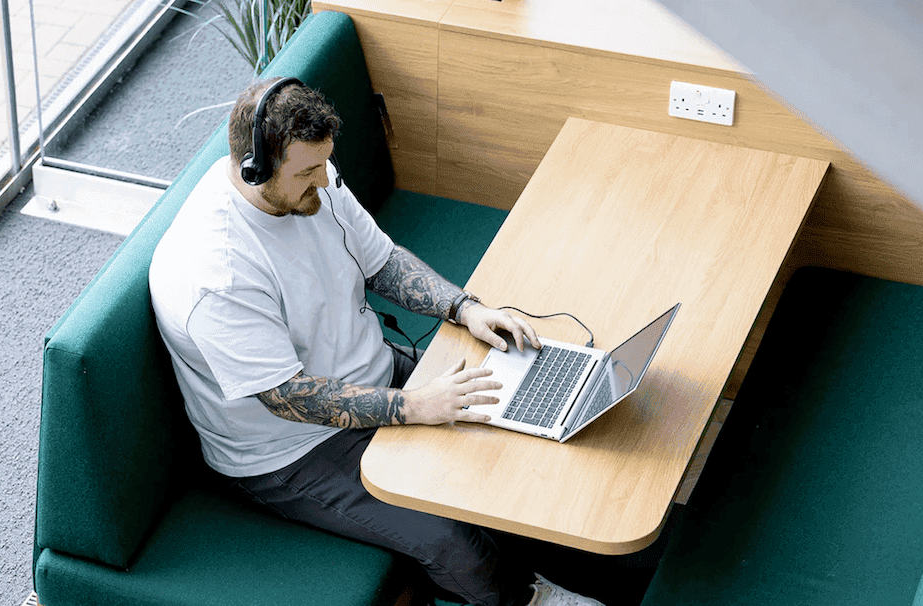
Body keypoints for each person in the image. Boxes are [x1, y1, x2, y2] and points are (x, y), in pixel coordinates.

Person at [148, 77, 605, 606]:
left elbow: (382, 260)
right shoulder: (217, 273)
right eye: (306, 173)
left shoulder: (313, 180)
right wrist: (416, 406)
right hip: (290, 449)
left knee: (507, 421)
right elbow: (289, 398)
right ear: (254, 168)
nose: (324, 182)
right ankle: (524, 599)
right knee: (449, 539)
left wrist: (465, 308)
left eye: (325, 165)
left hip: (376, 375)